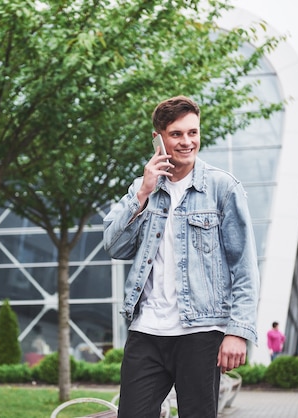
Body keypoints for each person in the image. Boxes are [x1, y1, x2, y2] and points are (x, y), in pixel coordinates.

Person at [103, 96, 260, 418]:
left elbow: (244, 266)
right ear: (158, 138)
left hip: (201, 332)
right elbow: (114, 246)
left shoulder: (222, 188)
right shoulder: (141, 189)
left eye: (193, 132)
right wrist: (143, 194)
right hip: (146, 330)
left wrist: (237, 331)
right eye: (176, 134)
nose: (187, 142)